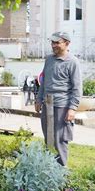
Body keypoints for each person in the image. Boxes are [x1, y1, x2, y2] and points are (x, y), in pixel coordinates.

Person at [35, 31, 82, 166]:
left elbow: (77, 88)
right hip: (47, 104)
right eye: (52, 42)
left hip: (62, 106)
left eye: (57, 42)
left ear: (67, 44)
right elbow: (44, 82)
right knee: (48, 138)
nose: (53, 45)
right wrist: (39, 99)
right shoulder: (49, 59)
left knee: (60, 140)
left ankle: (61, 173)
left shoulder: (73, 62)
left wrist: (72, 108)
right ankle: (49, 169)